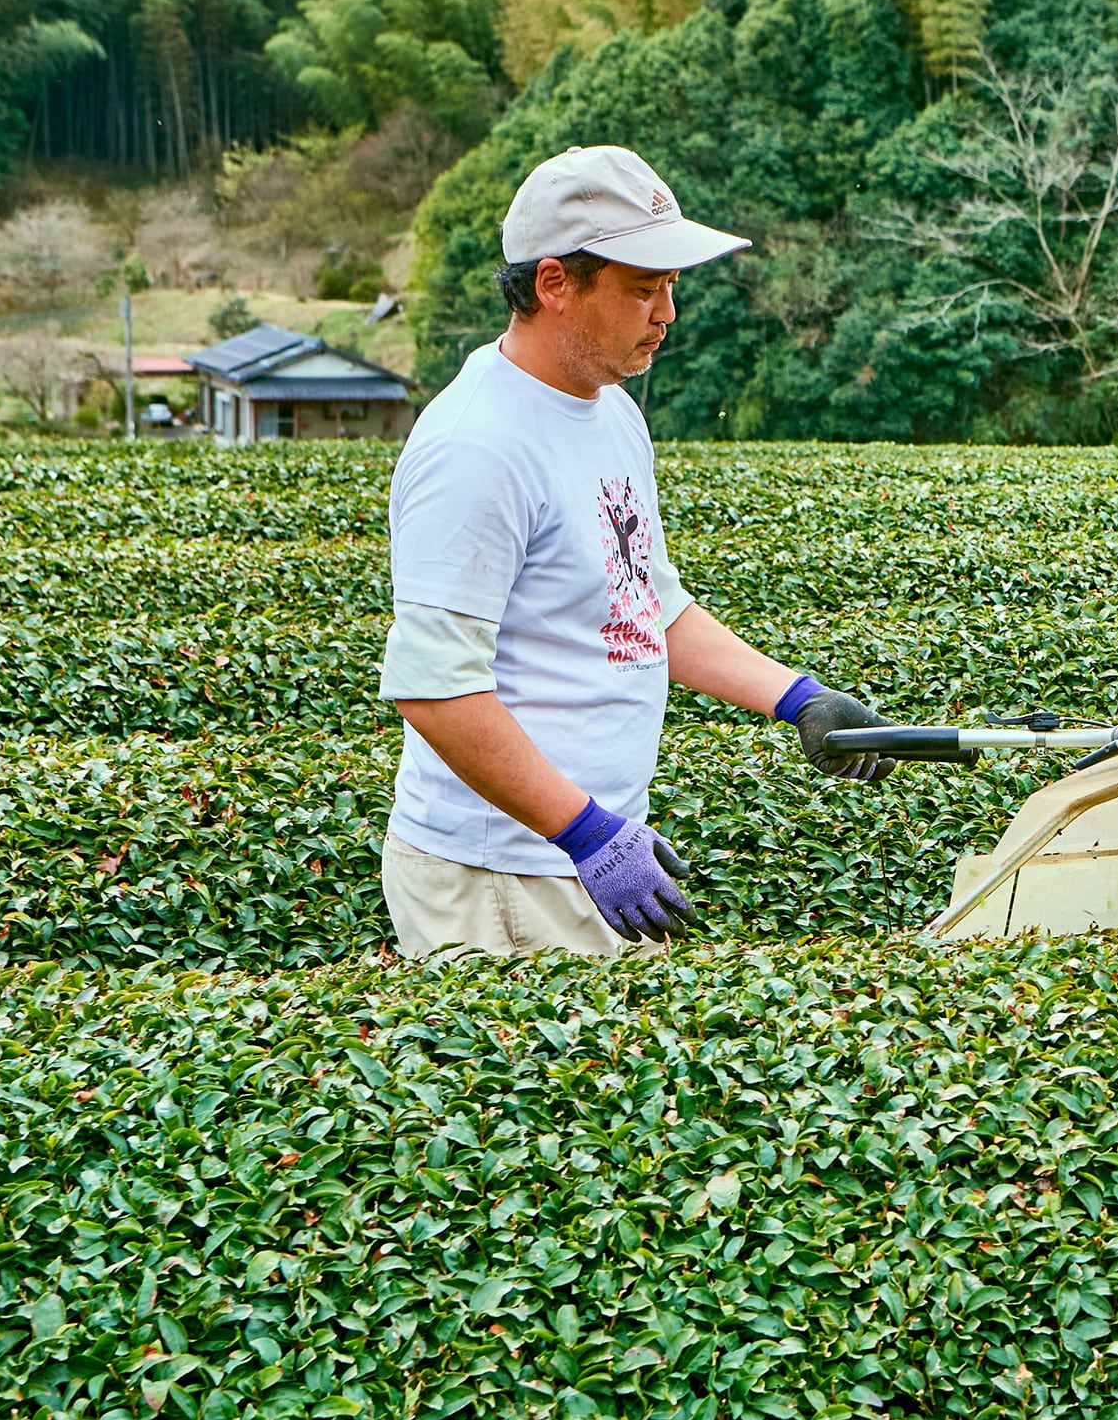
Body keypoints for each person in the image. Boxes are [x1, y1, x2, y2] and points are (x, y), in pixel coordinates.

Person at [378, 144, 895, 960]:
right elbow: (435, 689)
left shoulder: (610, 409)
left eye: (671, 288)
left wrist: (799, 699)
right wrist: (585, 835)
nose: (667, 315)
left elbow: (646, 606)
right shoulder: (477, 446)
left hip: (589, 854)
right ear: (554, 284)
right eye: (643, 289)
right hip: (501, 879)